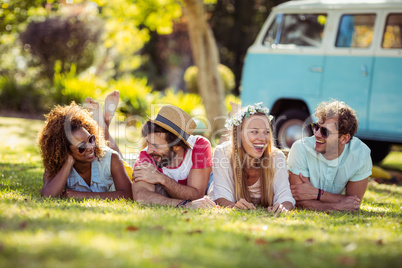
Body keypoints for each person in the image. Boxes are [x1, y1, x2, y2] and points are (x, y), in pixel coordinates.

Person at [39, 91, 132, 199]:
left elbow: (128, 194)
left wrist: (82, 195)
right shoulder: (56, 162)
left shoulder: (111, 158)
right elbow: (47, 195)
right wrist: (68, 163)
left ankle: (104, 127)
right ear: (65, 150)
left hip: (128, 168)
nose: (90, 147)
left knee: (117, 157)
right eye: (82, 147)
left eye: (91, 139)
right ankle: (103, 124)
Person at [208, 103, 295, 214]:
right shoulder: (222, 152)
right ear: (239, 134)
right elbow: (220, 194)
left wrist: (282, 206)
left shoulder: (276, 157)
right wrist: (232, 206)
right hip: (216, 177)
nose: (262, 138)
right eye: (254, 131)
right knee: (212, 179)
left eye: (266, 132)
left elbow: (285, 196)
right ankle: (233, 113)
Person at [287, 100, 372, 211]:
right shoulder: (300, 148)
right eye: (316, 127)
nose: (316, 134)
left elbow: (354, 203)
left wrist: (317, 194)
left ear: (344, 138)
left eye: (325, 132)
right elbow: (298, 200)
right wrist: (335, 206)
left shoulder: (360, 154)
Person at [132, 105, 216, 208]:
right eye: (148, 143)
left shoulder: (199, 146)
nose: (149, 150)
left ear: (176, 146)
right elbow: (141, 197)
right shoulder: (146, 156)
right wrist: (185, 204)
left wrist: (161, 178)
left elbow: (197, 195)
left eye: (155, 146)